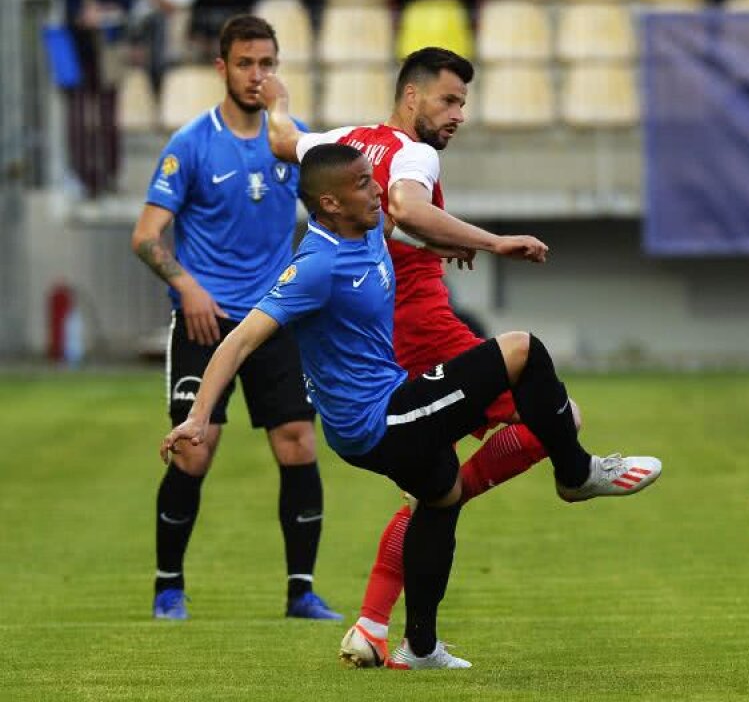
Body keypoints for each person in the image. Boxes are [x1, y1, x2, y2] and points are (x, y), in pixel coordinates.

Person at [160, 142, 663, 668]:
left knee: (442, 499)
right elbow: (239, 341)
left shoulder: (368, 228)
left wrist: (459, 244)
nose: (377, 188)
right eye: (362, 183)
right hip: (377, 419)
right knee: (522, 351)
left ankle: (419, 647)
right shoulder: (316, 265)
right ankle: (577, 473)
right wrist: (198, 417)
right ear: (330, 204)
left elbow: (411, 227)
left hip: (389, 404)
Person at [258, 47, 607, 668]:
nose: (458, 115)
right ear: (412, 96)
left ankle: (379, 627)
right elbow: (407, 206)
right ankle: (573, 475)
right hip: (421, 328)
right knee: (554, 417)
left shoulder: (343, 142)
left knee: (436, 482)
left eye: (463, 103)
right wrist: (492, 241)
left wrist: (277, 101)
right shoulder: (414, 152)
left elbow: (284, 140)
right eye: (449, 100)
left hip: (380, 339)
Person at [131, 15, 341, 623]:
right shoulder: (191, 143)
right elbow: (146, 236)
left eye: (267, 63)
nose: (257, 75)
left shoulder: (292, 142)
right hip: (206, 321)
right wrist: (186, 286)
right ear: (222, 68)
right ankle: (168, 588)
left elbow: (335, 212)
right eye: (246, 63)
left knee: (298, 442)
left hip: (274, 319)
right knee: (195, 451)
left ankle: (301, 592)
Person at [59, 0, 132, 197]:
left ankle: (110, 172)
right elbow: (67, 11)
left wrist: (101, 13)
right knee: (78, 117)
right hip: (78, 53)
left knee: (108, 116)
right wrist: (81, 17)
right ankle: (83, 175)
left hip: (107, 52)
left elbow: (125, 6)